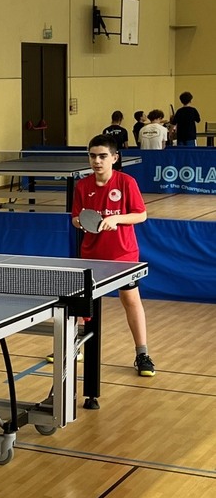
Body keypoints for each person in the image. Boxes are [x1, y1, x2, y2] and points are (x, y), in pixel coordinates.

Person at [72, 136, 154, 378]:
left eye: (102, 156)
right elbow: (75, 218)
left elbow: (141, 215)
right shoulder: (82, 186)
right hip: (91, 254)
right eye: (92, 156)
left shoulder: (126, 182)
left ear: (115, 158)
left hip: (123, 254)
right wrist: (81, 223)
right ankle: (74, 345)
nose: (97, 161)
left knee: (130, 300)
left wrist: (116, 218)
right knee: (81, 302)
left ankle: (142, 354)